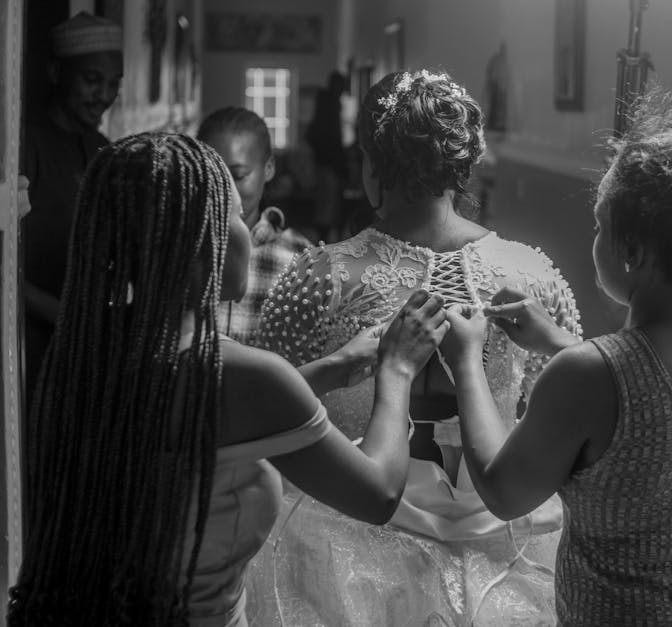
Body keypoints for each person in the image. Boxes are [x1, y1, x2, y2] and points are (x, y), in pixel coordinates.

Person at [7, 133, 449, 626]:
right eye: (237, 216)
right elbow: (377, 494)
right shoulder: (244, 376)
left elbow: (202, 424)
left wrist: (330, 370)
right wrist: (398, 369)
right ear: (203, 237)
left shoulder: (90, 348)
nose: (247, 228)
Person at [439, 97, 672, 625]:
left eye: (601, 226)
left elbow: (503, 490)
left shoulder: (587, 375)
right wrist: (560, 340)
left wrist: (467, 361)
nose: (595, 238)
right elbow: (653, 402)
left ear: (634, 251)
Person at [254, 69, 581, 625]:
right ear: (463, 165)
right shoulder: (532, 276)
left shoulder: (323, 275)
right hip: (503, 545)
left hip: (347, 541)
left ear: (373, 166)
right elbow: (562, 410)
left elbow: (270, 409)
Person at [20, 11, 124, 401]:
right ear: (54, 72)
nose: (104, 94)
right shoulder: (24, 146)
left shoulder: (102, 150)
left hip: (84, 349)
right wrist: (69, 319)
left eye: (114, 82)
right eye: (92, 79)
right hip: (30, 345)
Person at [197, 107, 311, 346]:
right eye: (212, 174)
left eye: (238, 176)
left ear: (269, 168)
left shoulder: (299, 261)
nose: (224, 190)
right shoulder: (182, 251)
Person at [306, 70, 349, 242]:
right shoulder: (329, 104)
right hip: (328, 161)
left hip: (325, 160)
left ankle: (324, 238)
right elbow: (331, 135)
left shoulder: (327, 103)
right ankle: (324, 239)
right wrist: (338, 161)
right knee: (327, 203)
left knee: (326, 203)